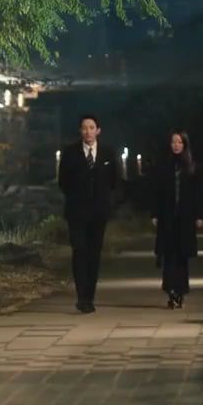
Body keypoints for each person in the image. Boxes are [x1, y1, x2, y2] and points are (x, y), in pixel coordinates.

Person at [58, 114, 121, 313]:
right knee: (79, 251)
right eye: (84, 128)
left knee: (94, 254)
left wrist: (105, 200)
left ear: (98, 130)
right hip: (77, 212)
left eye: (92, 127)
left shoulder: (108, 153)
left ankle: (90, 296)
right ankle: (81, 296)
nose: (88, 131)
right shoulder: (70, 152)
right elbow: (63, 181)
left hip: (99, 212)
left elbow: (115, 181)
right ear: (80, 130)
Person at [151, 130, 203, 309]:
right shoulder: (163, 166)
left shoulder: (193, 167)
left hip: (185, 218)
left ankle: (180, 290)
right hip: (167, 217)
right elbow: (156, 192)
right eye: (173, 142)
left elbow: (199, 193)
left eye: (179, 142)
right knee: (169, 255)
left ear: (184, 145)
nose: (176, 145)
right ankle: (171, 291)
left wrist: (199, 215)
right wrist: (154, 214)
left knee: (182, 256)